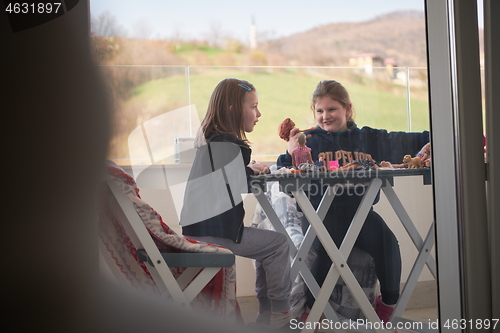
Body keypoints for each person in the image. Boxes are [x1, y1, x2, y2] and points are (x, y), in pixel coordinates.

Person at [277, 80, 429, 324]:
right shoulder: (309, 141)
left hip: (359, 213)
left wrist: (445, 136)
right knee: (329, 247)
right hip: (318, 213)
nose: (325, 116)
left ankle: (387, 309)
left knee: (388, 243)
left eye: (332, 109)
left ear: (347, 109)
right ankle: (313, 313)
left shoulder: (368, 138)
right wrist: (289, 151)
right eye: (320, 111)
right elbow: (283, 170)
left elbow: (406, 140)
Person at [180, 78, 293, 329]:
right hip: (216, 235)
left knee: (269, 244)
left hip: (195, 231)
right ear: (233, 109)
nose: (259, 113)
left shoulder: (212, 141)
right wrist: (252, 172)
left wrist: (247, 169)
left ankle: (266, 314)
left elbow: (226, 176)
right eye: (253, 106)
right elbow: (238, 182)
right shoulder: (232, 146)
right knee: (278, 245)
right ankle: (279, 315)